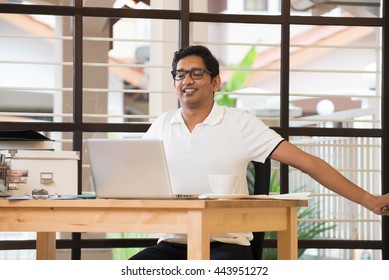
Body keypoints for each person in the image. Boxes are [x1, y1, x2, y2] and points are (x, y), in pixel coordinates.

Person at [130, 45, 389, 260]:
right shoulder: (161, 125)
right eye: (180, 74)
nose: (186, 80)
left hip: (225, 245)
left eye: (196, 73)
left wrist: (370, 200)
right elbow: (133, 177)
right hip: (173, 243)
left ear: (215, 82)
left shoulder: (240, 123)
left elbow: (307, 162)